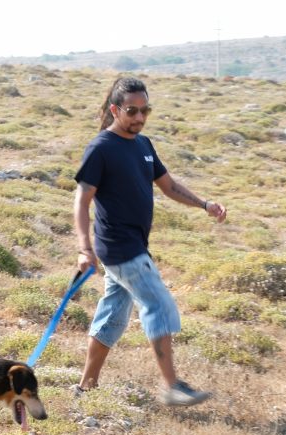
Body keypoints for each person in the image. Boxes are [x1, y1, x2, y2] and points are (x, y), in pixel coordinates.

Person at [72, 77, 227, 407]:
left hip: (132, 246)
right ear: (115, 110)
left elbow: (169, 186)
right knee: (157, 304)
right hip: (119, 247)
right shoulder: (101, 149)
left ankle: (85, 386)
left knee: (113, 314)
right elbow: (81, 201)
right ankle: (172, 386)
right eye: (132, 111)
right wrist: (84, 248)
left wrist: (204, 204)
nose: (139, 118)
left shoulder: (143, 146)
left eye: (145, 110)